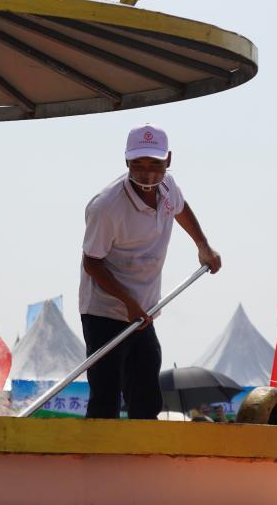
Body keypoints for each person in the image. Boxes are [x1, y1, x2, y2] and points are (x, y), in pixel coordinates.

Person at [79, 124, 221, 419]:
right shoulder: (106, 207)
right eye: (138, 164)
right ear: (126, 160)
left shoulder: (168, 187)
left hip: (143, 311)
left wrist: (203, 246)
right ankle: (98, 448)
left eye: (155, 164)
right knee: (106, 394)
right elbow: (92, 263)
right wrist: (128, 303)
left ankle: (142, 447)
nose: (147, 173)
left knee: (146, 392)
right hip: (105, 311)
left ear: (168, 159)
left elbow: (180, 208)